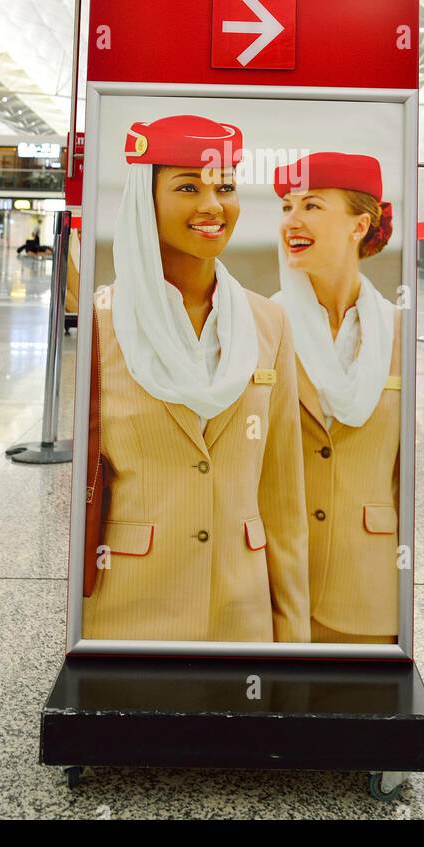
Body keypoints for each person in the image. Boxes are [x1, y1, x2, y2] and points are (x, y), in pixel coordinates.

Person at [82, 113, 310, 644]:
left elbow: (282, 493)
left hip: (242, 608)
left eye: (225, 186)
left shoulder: (267, 323)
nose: (213, 205)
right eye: (188, 187)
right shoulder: (102, 323)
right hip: (127, 607)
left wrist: (293, 632)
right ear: (146, 199)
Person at [273, 152, 402, 646]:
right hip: (276, 580)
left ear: (358, 225)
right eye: (286, 206)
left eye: (311, 205)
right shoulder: (265, 325)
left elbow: (402, 473)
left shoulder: (398, 331)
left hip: (366, 584)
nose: (292, 221)